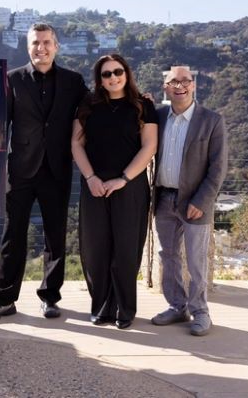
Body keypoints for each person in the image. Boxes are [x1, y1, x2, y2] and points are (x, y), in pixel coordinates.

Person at [0, 23, 88, 322]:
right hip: (19, 170)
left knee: (56, 236)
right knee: (12, 236)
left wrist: (138, 101)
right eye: (35, 43)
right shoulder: (11, 79)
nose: (41, 48)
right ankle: (5, 300)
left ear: (56, 46)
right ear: (27, 47)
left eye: (46, 42)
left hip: (57, 168)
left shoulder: (73, 81)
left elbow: (95, 108)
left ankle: (50, 297)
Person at [72, 54, 158, 329]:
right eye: (106, 74)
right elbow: (76, 144)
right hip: (94, 186)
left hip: (130, 188)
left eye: (117, 71)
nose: (113, 78)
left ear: (127, 73)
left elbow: (149, 146)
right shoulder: (88, 105)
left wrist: (123, 179)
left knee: (126, 249)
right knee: (95, 247)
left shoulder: (143, 105)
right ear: (99, 79)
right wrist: (91, 178)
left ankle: (124, 308)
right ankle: (101, 306)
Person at [151, 66, 227, 336]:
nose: (180, 85)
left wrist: (202, 201)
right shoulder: (158, 116)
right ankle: (177, 306)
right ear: (166, 88)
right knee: (168, 256)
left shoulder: (212, 120)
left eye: (186, 81)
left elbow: (218, 168)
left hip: (195, 202)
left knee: (196, 260)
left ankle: (201, 312)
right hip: (163, 198)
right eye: (174, 81)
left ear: (194, 85)